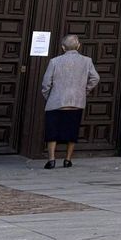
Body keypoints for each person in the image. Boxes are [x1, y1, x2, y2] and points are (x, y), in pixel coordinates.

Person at [40, 35, 98, 170]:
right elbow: (95, 78)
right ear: (78, 46)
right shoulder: (87, 61)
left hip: (56, 101)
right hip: (76, 102)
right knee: (72, 131)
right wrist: (85, 90)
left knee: (52, 131)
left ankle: (51, 160)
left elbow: (46, 83)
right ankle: (67, 159)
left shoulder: (55, 61)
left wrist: (49, 96)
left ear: (62, 47)